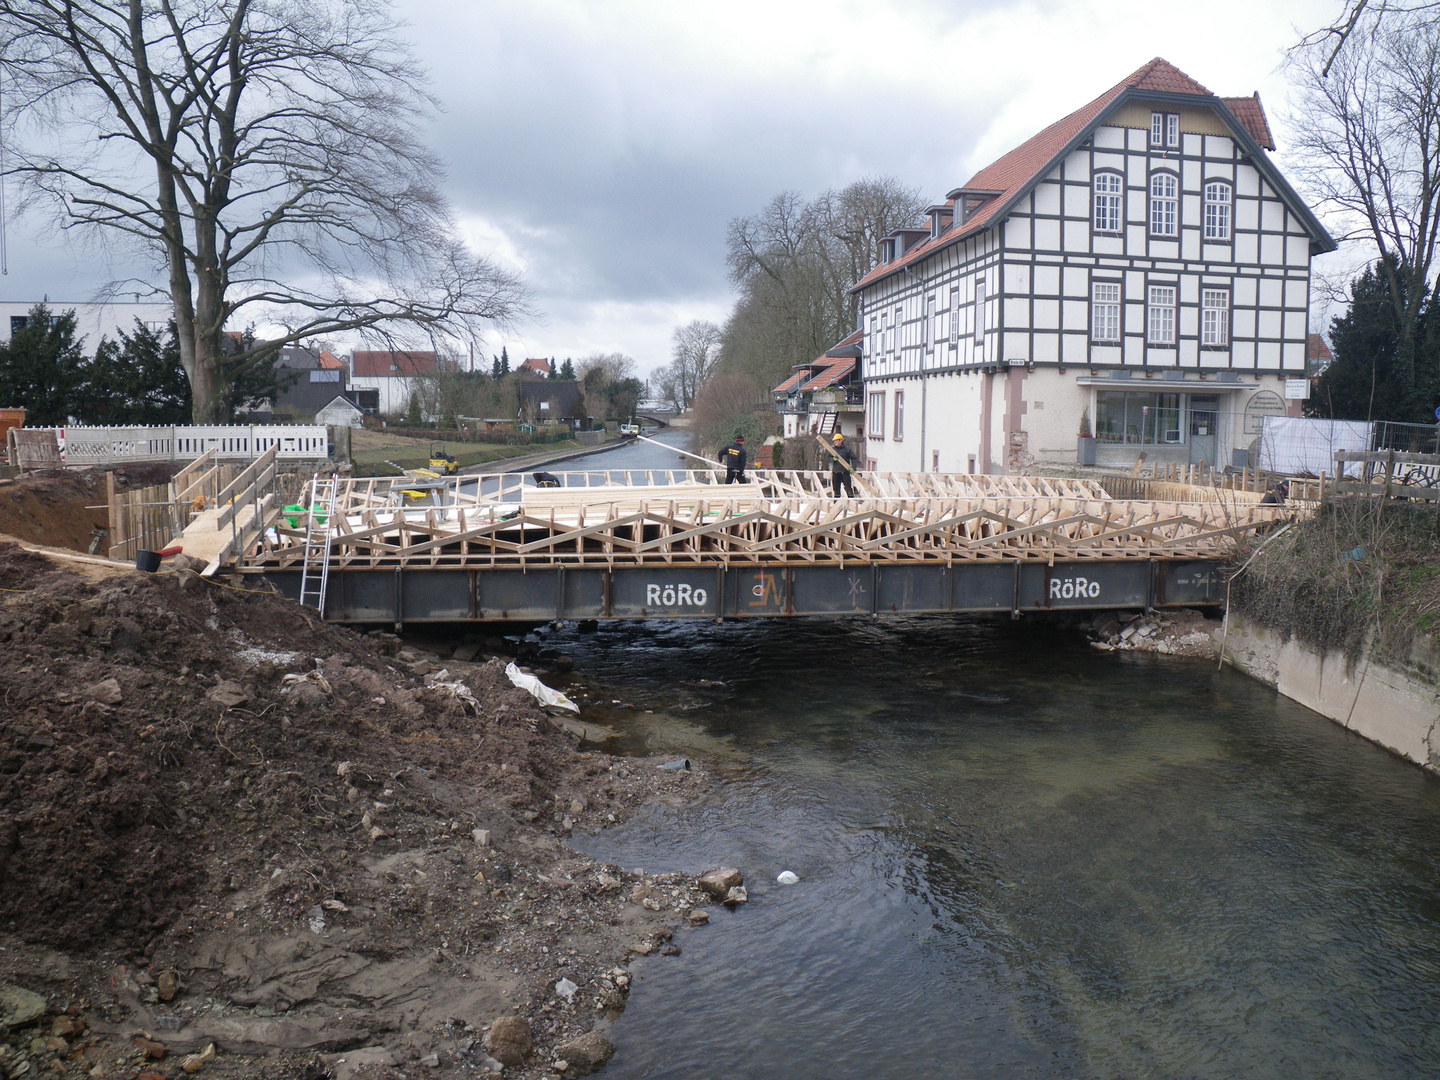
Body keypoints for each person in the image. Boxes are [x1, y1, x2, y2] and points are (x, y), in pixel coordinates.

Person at [829, 431, 857, 497]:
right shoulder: (833, 450)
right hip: (836, 472)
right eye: (834, 441)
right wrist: (832, 459)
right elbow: (828, 458)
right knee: (836, 490)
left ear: (840, 441)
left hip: (845, 472)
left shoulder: (847, 449)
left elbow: (854, 458)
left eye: (836, 441)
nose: (835, 442)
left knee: (848, 489)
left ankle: (851, 504)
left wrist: (853, 468)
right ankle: (836, 505)